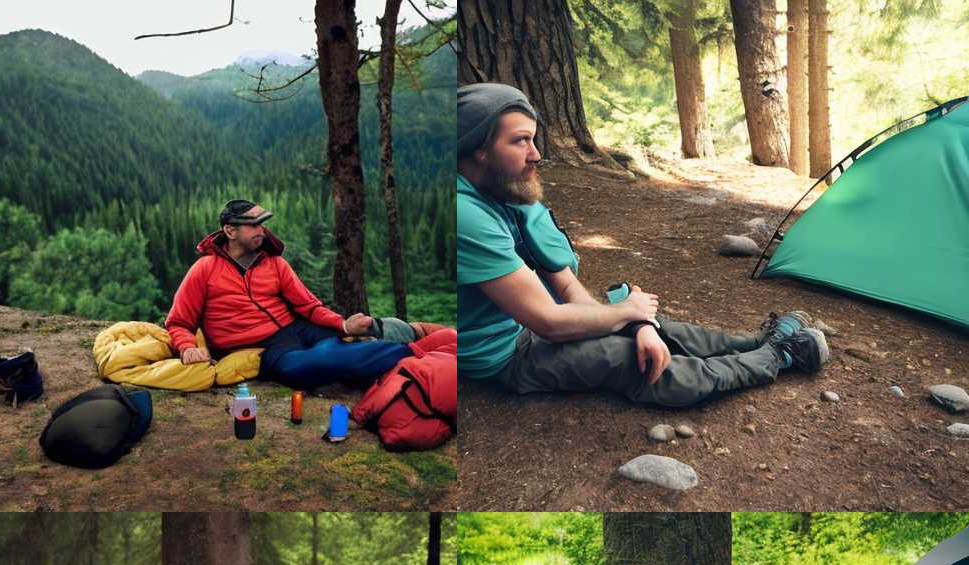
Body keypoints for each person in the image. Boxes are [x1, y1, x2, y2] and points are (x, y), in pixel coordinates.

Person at [457, 84, 830, 406]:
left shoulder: (506, 190)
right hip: (506, 354)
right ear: (479, 148)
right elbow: (549, 322)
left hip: (536, 324)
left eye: (533, 139)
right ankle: (777, 357)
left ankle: (752, 344)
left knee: (656, 329)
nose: (536, 153)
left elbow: (566, 286)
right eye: (521, 140)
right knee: (634, 362)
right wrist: (627, 317)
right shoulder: (465, 215)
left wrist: (638, 324)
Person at [165, 199, 411, 390]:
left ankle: (408, 343)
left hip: (297, 328)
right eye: (254, 224)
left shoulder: (275, 263)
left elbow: (309, 307)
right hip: (264, 347)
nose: (262, 230)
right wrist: (187, 347)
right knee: (300, 369)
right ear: (230, 231)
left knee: (347, 342)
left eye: (263, 223)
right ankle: (409, 355)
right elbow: (178, 322)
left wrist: (343, 325)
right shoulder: (204, 269)